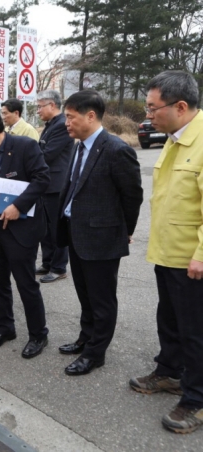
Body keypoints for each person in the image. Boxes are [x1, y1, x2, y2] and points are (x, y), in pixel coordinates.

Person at [128, 70, 203, 434]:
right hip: (167, 252)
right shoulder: (174, 139)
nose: (148, 115)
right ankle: (170, 372)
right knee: (170, 320)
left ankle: (197, 399)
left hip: (193, 260)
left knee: (195, 330)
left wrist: (202, 255)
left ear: (181, 106)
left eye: (153, 108)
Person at [56, 90, 143, 376]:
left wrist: (124, 231)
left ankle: (96, 353)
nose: (66, 123)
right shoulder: (78, 146)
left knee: (102, 299)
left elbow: (132, 197)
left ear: (90, 116)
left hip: (102, 238)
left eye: (70, 117)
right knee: (85, 295)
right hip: (76, 234)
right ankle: (86, 338)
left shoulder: (116, 150)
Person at [0, 108, 51, 359]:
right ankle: (5, 328)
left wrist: (19, 206)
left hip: (22, 229)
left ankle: (38, 334)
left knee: (26, 284)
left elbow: (42, 178)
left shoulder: (25, 146)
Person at [36, 90, 75, 283]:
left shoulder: (61, 125)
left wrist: (31, 159)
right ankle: (48, 262)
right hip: (45, 184)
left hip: (56, 184)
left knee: (56, 228)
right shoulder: (50, 124)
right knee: (45, 227)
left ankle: (59, 267)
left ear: (52, 105)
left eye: (40, 106)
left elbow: (47, 154)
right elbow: (40, 148)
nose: (37, 111)